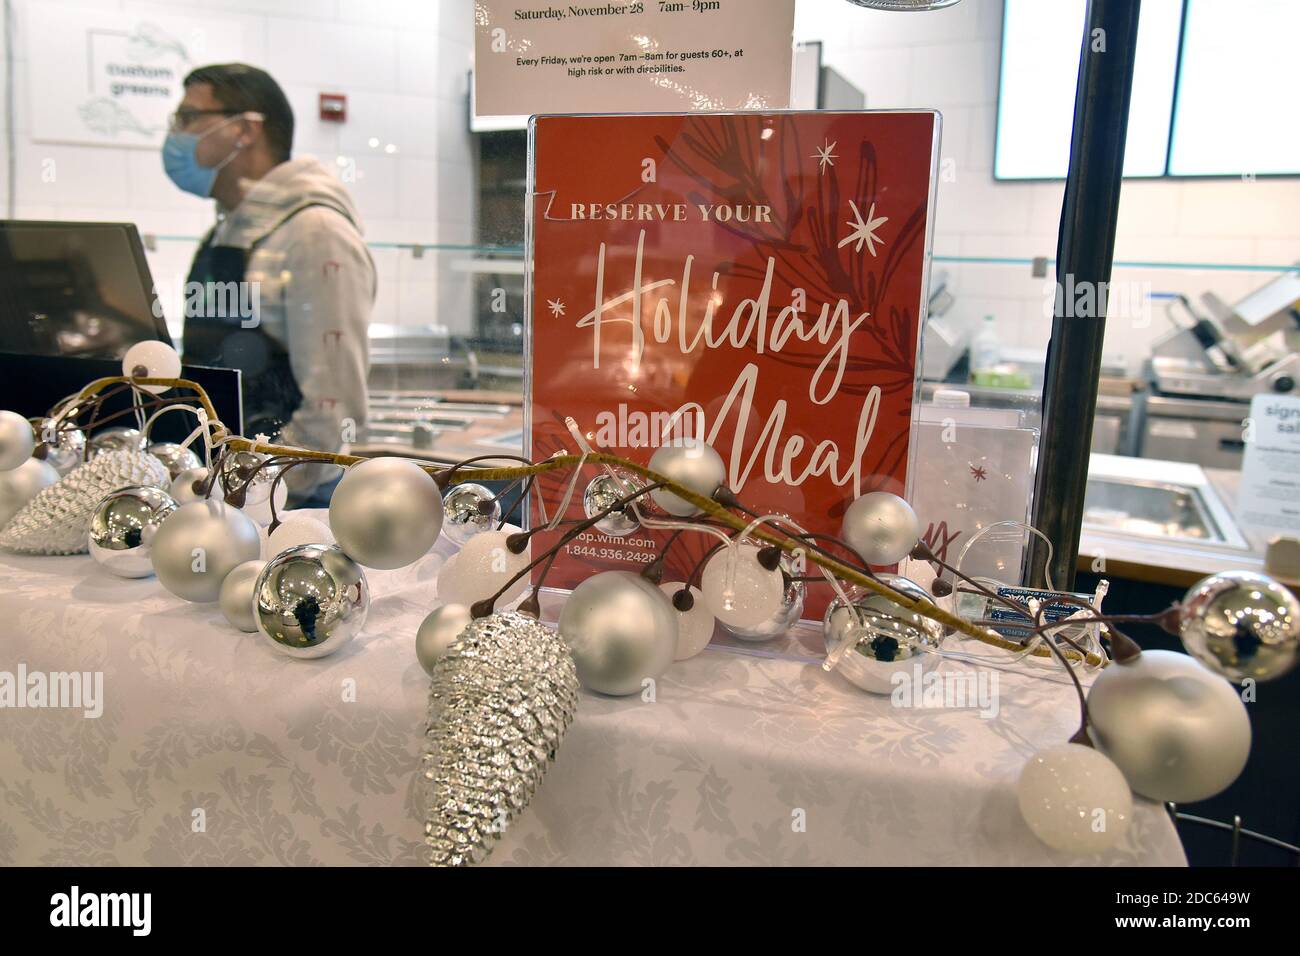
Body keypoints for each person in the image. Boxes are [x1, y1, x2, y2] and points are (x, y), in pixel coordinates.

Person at [162, 63, 373, 506]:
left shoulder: (315, 231)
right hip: (224, 490)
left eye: (188, 119)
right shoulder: (229, 231)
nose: (176, 133)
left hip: (286, 504)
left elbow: (333, 406)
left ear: (245, 129)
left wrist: (260, 491)